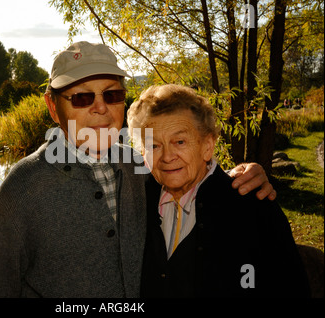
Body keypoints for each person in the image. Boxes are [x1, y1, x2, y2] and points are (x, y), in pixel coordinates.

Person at [0, 42, 276, 298]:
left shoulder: (143, 168)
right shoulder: (22, 188)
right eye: (82, 97)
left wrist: (242, 176)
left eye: (111, 95)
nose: (100, 107)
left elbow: (195, 175)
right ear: (53, 107)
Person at [127, 84, 310, 297]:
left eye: (179, 141)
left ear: (207, 146)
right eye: (154, 146)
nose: (167, 156)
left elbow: (292, 287)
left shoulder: (253, 204)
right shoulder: (137, 199)